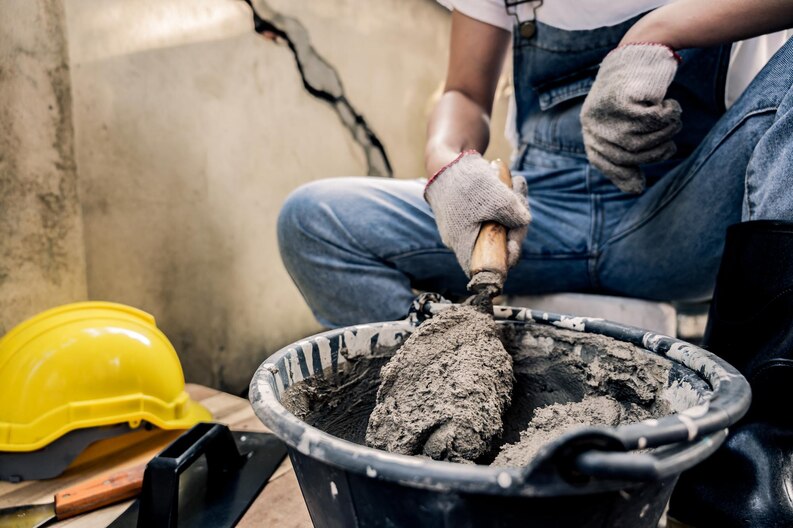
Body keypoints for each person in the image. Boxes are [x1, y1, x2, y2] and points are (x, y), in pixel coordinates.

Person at [277, 2, 792, 524]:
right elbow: (464, 93)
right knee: (313, 220)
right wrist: (449, 167)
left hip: (675, 216)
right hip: (536, 216)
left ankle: (747, 465)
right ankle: (432, 400)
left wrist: (656, 33)